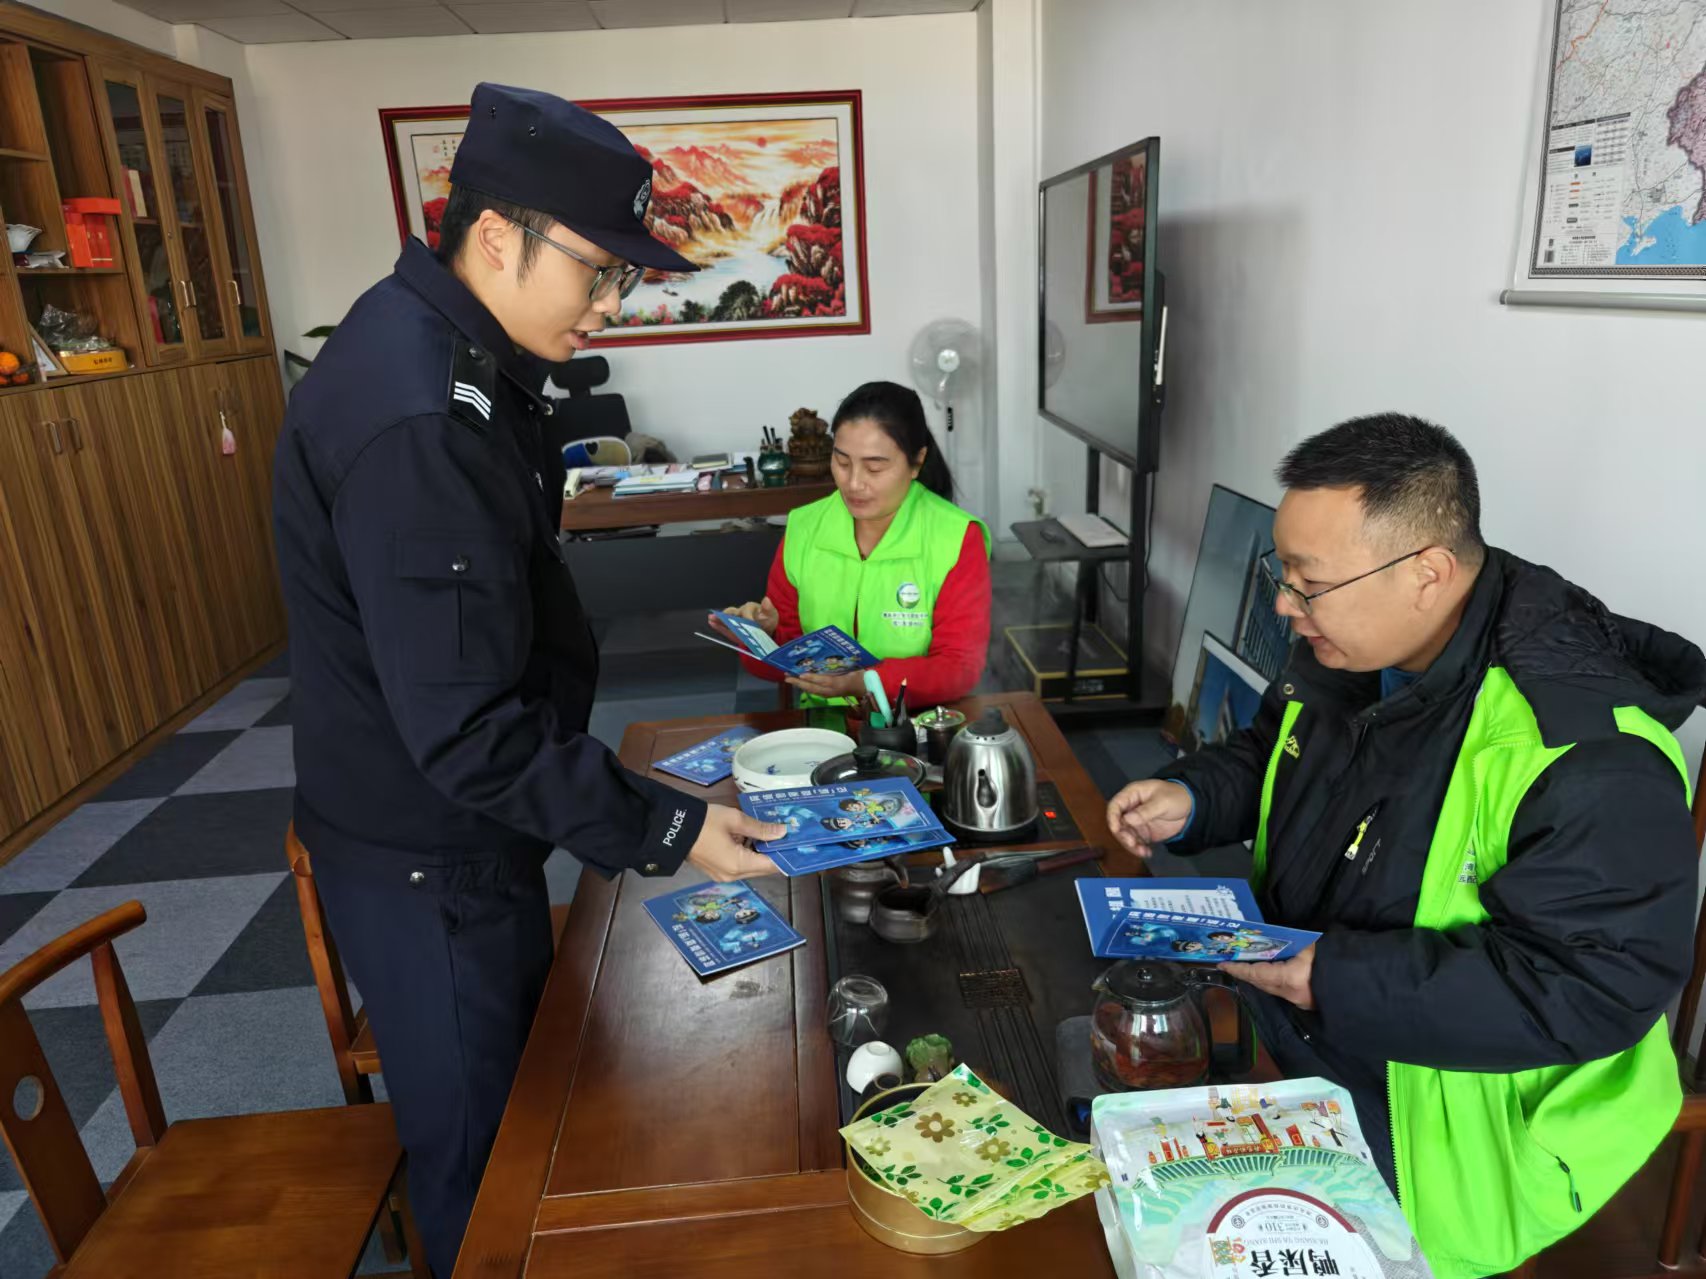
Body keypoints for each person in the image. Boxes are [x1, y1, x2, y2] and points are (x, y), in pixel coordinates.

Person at [272, 83, 783, 1279]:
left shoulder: (441, 345)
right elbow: (464, 731)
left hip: (455, 821)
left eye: (622, 279)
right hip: (428, 848)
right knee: (484, 1156)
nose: (608, 308)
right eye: (596, 273)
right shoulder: (418, 416)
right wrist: (667, 827)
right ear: (497, 236)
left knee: (518, 1103)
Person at [1106, 414, 1701, 1278]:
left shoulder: (1586, 754)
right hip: (1294, 1020)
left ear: (1427, 572)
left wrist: (1332, 977)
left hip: (1451, 1121)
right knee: (1097, 1123)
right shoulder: (1353, 644)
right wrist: (1193, 796)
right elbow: (1276, 750)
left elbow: (1589, 989)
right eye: (1283, 573)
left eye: (1309, 582)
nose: (1284, 604)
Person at [719, 381, 992, 707]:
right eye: (843, 462)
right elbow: (784, 664)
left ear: (917, 462)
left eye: (875, 467)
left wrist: (865, 682)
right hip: (826, 725)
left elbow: (958, 667)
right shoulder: (805, 527)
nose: (854, 483)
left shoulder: (956, 537)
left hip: (920, 722)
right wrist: (760, 637)